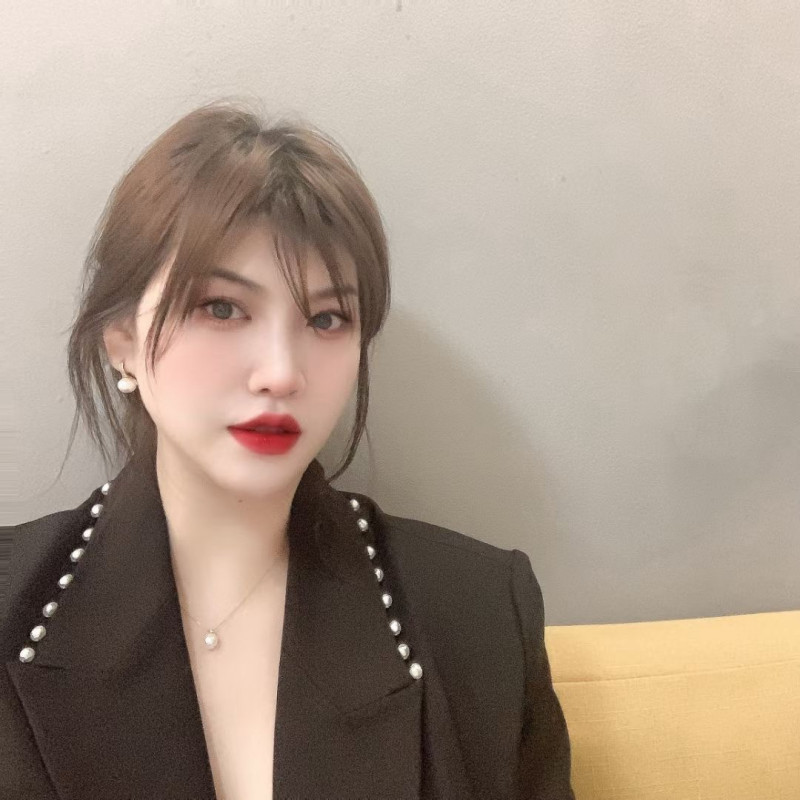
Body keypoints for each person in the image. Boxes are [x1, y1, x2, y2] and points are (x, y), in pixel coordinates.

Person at [0, 101, 575, 799]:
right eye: (221, 307)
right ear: (121, 339)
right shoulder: (15, 605)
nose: (281, 372)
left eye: (327, 319)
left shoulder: (477, 614)